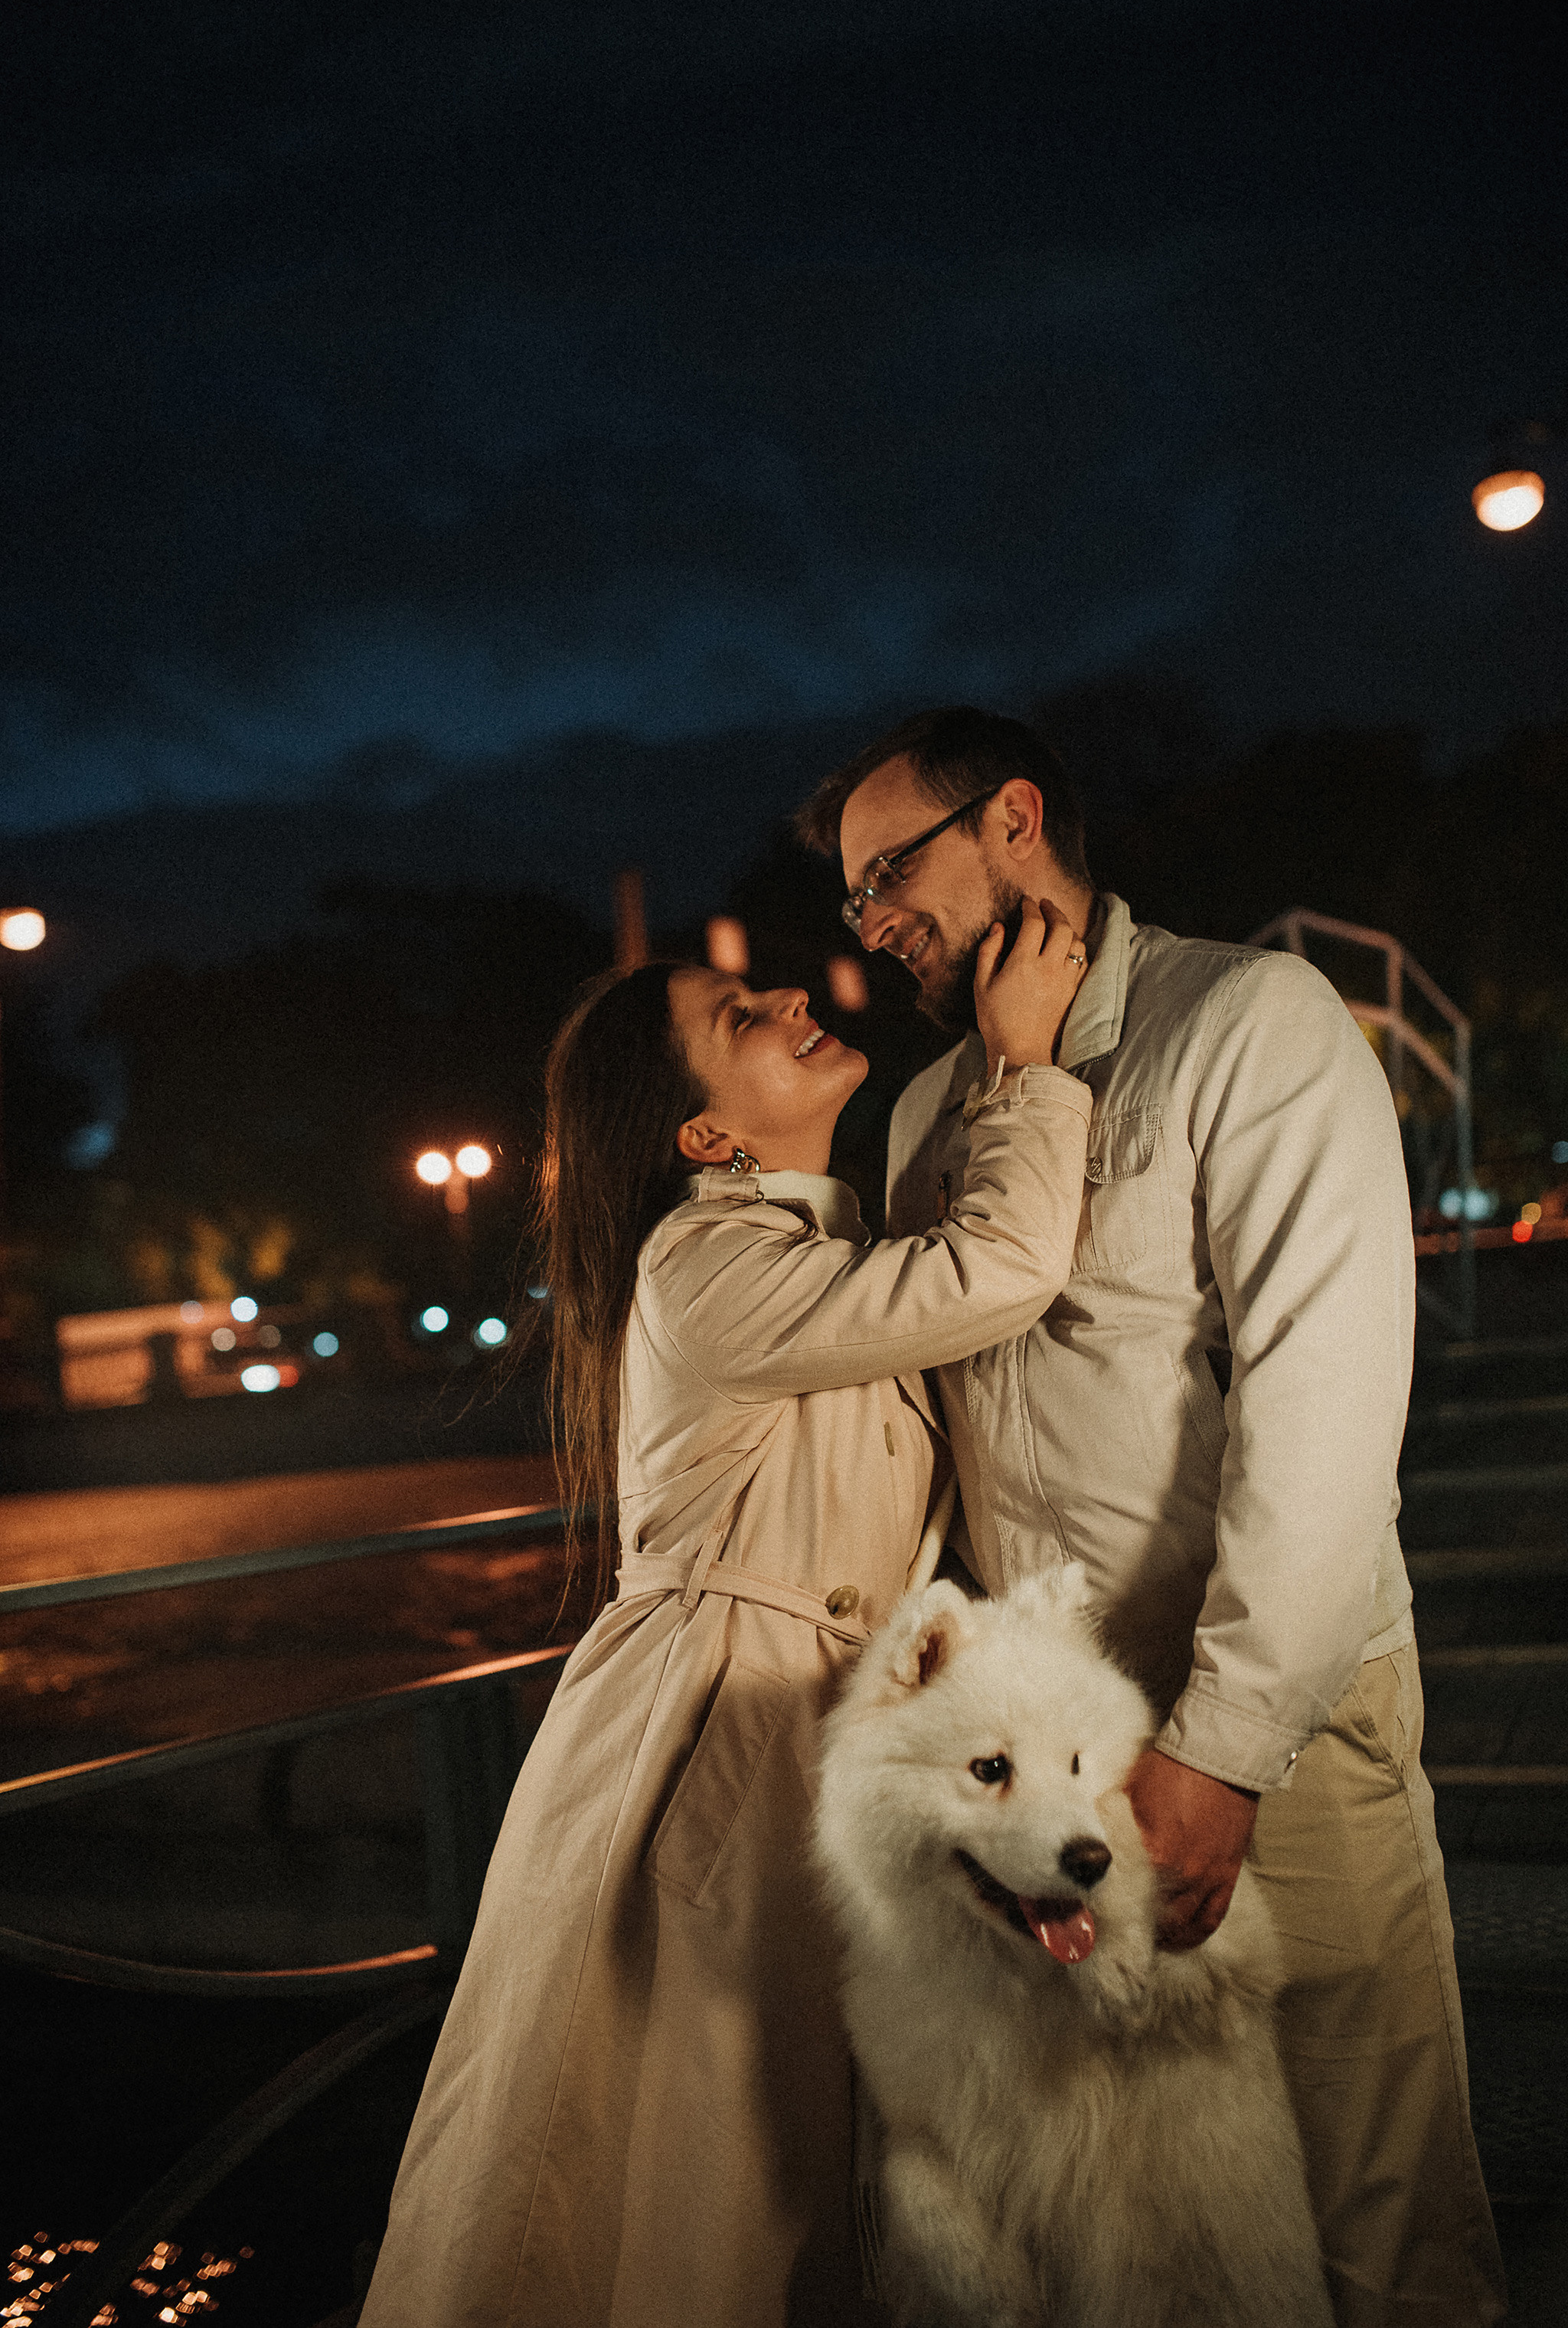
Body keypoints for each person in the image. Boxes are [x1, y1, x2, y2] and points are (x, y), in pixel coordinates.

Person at [797, 704, 1508, 2328]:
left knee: (1373, 2196)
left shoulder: (1248, 1018)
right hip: (1059, 1762)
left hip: (1275, 1724)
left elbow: (1327, 1401)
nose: (871, 922)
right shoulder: (925, 1112)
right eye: (851, 897)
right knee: (1165, 2231)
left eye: (890, 872)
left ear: (1015, 819)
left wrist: (1225, 1747)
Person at [359, 899, 1093, 2328]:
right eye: (738, 1018)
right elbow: (999, 1270)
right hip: (714, 1737)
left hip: (784, 1724)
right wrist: (1025, 1066)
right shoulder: (705, 1261)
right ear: (706, 1132)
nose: (788, 1002)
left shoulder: (805, 1249)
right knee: (678, 2168)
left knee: (752, 2161)